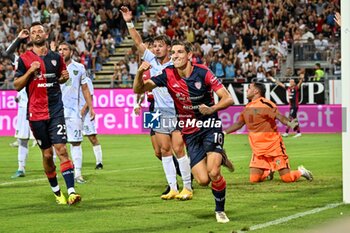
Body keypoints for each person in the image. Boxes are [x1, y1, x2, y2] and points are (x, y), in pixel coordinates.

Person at [133, 39, 234, 223]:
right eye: (173, 52)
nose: (175, 55)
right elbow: (137, 89)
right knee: (203, 180)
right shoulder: (167, 73)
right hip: (187, 128)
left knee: (213, 172)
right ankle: (215, 158)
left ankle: (220, 210)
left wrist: (211, 109)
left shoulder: (202, 72)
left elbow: (228, 99)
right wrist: (140, 72)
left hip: (209, 125)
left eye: (180, 52)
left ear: (189, 55)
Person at [121, 6, 193, 200]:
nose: (156, 48)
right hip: (157, 110)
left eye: (161, 45)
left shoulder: (176, 62)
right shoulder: (151, 60)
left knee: (178, 148)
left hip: (177, 110)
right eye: (154, 46)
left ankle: (187, 186)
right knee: (161, 150)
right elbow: (137, 41)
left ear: (168, 48)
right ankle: (172, 187)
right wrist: (129, 21)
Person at [13, 22, 81, 205]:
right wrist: (30, 71)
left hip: (56, 110)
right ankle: (57, 192)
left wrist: (62, 78)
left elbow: (59, 79)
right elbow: (17, 85)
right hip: (36, 113)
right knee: (48, 155)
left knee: (62, 150)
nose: (36, 34)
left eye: (39, 31)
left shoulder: (56, 57)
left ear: (46, 34)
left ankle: (72, 192)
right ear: (30, 37)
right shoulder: (24, 58)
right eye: (33, 32)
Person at [224, 82, 313, 184]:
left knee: (287, 178)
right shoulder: (247, 107)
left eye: (249, 88)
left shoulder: (265, 104)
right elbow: (239, 124)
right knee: (254, 179)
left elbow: (280, 117)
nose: (246, 90)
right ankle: (269, 170)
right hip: (258, 150)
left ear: (256, 91)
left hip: (273, 146)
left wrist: (291, 124)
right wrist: (224, 132)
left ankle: (301, 171)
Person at [58, 42, 95, 184]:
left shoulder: (79, 68)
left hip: (73, 112)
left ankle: (78, 173)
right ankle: (63, 171)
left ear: (71, 52)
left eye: (65, 49)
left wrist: (91, 107)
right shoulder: (53, 67)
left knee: (76, 142)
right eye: (60, 49)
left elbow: (85, 88)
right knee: (58, 144)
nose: (62, 51)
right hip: (56, 112)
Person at [79, 76, 104, 170]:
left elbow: (90, 96)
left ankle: (99, 162)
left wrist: (83, 110)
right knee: (73, 140)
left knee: (92, 138)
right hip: (72, 113)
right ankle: (75, 164)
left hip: (85, 114)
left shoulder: (86, 80)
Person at [271, 69, 304, 137]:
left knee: (291, 119)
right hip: (291, 106)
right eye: (290, 82)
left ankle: (291, 132)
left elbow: (300, 82)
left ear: (294, 83)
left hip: (295, 106)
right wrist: (274, 80)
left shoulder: (296, 88)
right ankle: (295, 133)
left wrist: (302, 76)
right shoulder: (288, 88)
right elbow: (280, 84)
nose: (290, 82)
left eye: (291, 82)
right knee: (293, 119)